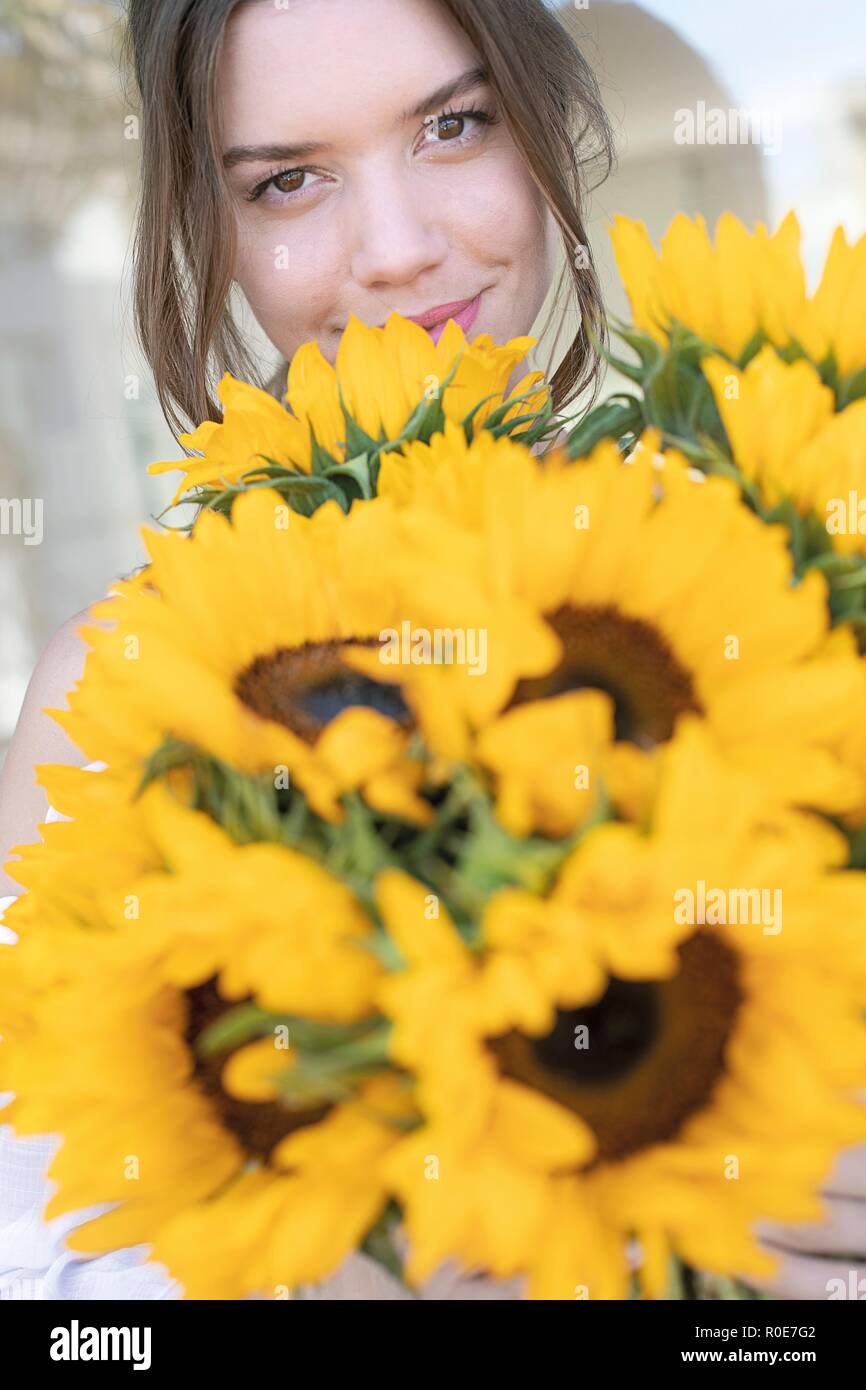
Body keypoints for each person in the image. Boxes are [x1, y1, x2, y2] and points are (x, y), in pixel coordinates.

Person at [0, 0, 863, 1300]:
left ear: (541, 128)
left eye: (453, 126)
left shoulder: (774, 555)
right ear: (213, 230)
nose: (397, 251)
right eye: (289, 180)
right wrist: (347, 1272)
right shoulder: (122, 690)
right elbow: (39, 1254)